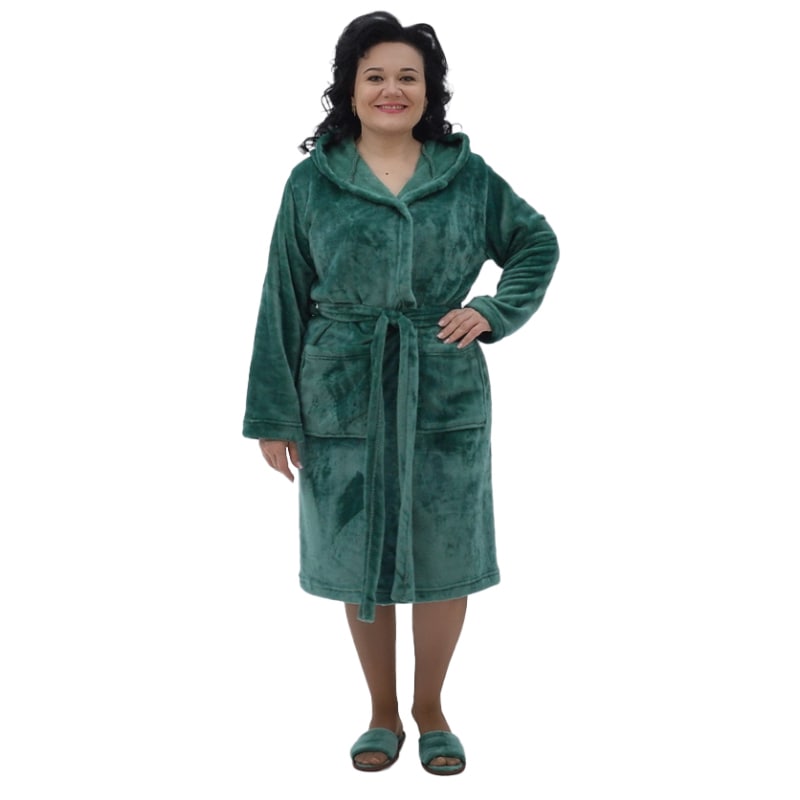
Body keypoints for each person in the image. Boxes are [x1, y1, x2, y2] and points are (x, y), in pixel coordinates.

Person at [243, 11, 559, 775]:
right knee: (357, 552)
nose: (392, 89)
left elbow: (535, 242)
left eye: (408, 77)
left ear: (430, 90)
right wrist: (274, 414)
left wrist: (491, 311)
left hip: (441, 387)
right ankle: (382, 711)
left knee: (447, 548)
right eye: (376, 75)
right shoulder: (313, 181)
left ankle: (431, 708)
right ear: (350, 88)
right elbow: (283, 295)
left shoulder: (467, 176)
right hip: (340, 389)